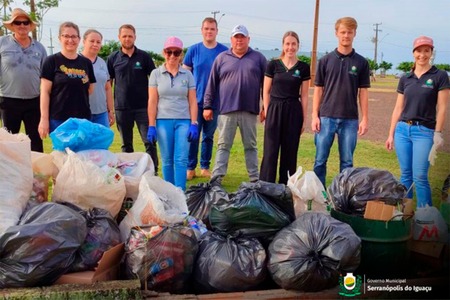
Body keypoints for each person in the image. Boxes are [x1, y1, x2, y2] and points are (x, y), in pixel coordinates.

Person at [385, 36, 449, 208]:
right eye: (419, 51)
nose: (422, 54)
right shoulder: (406, 78)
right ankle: (406, 213)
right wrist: (391, 134)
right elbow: (398, 108)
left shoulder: (440, 76)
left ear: (431, 52)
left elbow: (442, 108)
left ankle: (425, 217)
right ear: (414, 53)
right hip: (402, 130)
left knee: (420, 176)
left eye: (426, 51)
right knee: (405, 175)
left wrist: (437, 133)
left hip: (424, 132)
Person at [311, 17, 370, 188]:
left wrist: (365, 118)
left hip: (350, 119)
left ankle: (342, 198)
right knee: (320, 160)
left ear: (354, 34)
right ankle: (319, 196)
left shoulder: (361, 62)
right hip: (326, 118)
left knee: (347, 163)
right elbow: (318, 89)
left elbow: (363, 92)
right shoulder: (325, 61)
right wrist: (315, 115)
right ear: (336, 33)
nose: (346, 35)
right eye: (343, 32)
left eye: (349, 32)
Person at [203, 25, 267, 184]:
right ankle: (216, 179)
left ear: (248, 39)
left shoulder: (258, 58)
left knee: (251, 146)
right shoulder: (221, 58)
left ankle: (254, 179)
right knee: (223, 145)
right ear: (231, 40)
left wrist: (266, 106)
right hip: (226, 110)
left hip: (249, 111)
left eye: (242, 37)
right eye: (236, 37)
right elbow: (211, 84)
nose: (239, 40)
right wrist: (207, 106)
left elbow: (266, 85)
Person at [259, 31, 310, 184]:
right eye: (287, 44)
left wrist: (303, 119)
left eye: (293, 44)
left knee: (290, 153)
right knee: (270, 152)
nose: (290, 47)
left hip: (293, 111)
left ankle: (285, 188)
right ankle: (266, 187)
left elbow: (305, 95)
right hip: (274, 109)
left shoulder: (303, 67)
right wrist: (268, 113)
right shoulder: (273, 65)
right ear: (283, 45)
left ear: (298, 46)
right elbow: (266, 91)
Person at [147, 36, 198, 191]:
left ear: (181, 54)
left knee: (181, 159)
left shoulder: (187, 75)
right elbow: (153, 101)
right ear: (164, 52)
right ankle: (168, 192)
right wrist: (151, 125)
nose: (172, 56)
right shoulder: (156, 74)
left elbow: (193, 101)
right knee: (167, 159)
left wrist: (194, 123)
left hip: (183, 120)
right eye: (169, 52)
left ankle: (180, 193)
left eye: (176, 53)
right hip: (163, 120)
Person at [107, 24, 158, 173]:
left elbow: (154, 80)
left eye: (130, 36)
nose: (127, 39)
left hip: (143, 107)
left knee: (149, 142)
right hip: (122, 107)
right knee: (126, 145)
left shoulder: (144, 57)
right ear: (119, 38)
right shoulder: (112, 58)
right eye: (124, 36)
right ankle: (128, 174)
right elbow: (108, 84)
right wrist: (109, 107)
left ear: (135, 37)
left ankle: (153, 171)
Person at [182, 17, 228, 180]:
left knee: (208, 136)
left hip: (215, 103)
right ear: (202, 30)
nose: (209, 31)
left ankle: (205, 166)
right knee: (193, 135)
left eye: (212, 29)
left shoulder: (223, 52)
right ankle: (190, 167)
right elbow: (185, 76)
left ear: (217, 31)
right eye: (206, 28)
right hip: (195, 101)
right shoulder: (193, 50)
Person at [38, 21, 96, 139]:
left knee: (82, 155)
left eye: (74, 36)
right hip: (59, 119)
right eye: (66, 36)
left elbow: (90, 89)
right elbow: (45, 92)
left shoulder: (86, 63)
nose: (70, 40)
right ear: (60, 38)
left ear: (79, 39)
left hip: (82, 119)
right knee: (62, 155)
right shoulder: (51, 61)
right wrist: (44, 119)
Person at [0, 8, 47, 152]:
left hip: (33, 101)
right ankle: (9, 174)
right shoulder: (2, 43)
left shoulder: (39, 48)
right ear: (12, 25)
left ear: (29, 25)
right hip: (8, 100)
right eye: (17, 22)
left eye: (25, 22)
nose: (22, 26)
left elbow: (45, 77)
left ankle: (37, 174)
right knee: (9, 142)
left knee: (35, 141)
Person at [81, 29, 114, 127]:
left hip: (101, 113)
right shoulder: (77, 61)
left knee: (102, 141)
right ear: (84, 42)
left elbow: (107, 88)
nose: (95, 44)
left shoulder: (102, 62)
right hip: (82, 113)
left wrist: (110, 110)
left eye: (98, 42)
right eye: (92, 41)